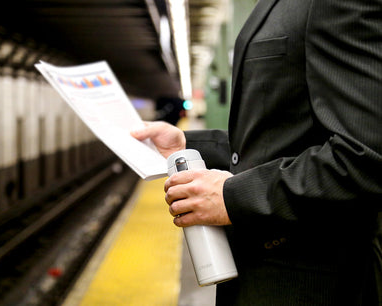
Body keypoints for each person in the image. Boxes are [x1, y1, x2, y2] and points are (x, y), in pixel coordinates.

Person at [131, 0, 382, 305]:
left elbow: (367, 157)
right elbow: (284, 135)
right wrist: (185, 143)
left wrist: (233, 197)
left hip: (310, 284)